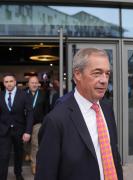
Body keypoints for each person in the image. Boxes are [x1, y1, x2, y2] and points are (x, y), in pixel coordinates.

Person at [35, 48, 123, 180]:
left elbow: (113, 153)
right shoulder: (56, 120)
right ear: (78, 74)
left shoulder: (107, 107)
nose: (104, 80)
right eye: (97, 73)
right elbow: (46, 174)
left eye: (107, 73)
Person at [0, 73, 34, 180]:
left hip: (20, 131)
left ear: (15, 82)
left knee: (19, 155)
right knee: (3, 156)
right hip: (4, 131)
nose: (9, 84)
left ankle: (18, 174)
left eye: (11, 81)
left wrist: (28, 131)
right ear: (3, 83)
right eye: (6, 82)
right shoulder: (0, 95)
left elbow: (30, 113)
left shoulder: (24, 95)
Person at [27, 76, 49, 175]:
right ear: (28, 84)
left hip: (38, 123)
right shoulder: (23, 94)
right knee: (25, 143)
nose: (34, 84)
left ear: (38, 84)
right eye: (32, 83)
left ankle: (34, 164)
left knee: (35, 144)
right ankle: (27, 152)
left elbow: (47, 109)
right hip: (24, 123)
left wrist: (45, 121)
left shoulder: (43, 94)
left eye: (36, 83)